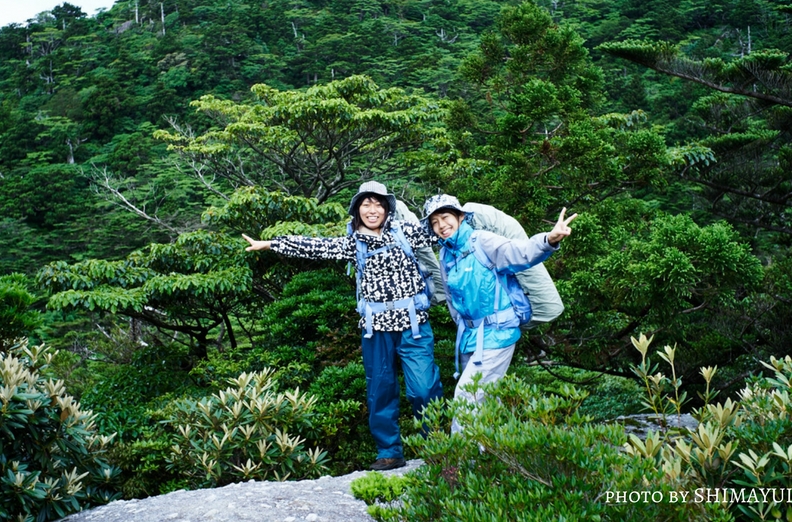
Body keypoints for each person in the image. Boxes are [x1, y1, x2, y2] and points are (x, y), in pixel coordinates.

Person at [242, 181, 443, 471]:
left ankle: (437, 445)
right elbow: (316, 246)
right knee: (380, 391)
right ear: (357, 210)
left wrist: (466, 220)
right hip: (375, 328)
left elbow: (440, 232)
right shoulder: (353, 244)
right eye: (366, 204)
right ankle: (389, 452)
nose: (372, 210)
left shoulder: (405, 232)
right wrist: (273, 243)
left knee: (424, 388)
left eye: (378, 204)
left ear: (388, 208)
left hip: (413, 325)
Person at [421, 194, 576, 433]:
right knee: (487, 399)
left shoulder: (482, 241)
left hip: (498, 333)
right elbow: (452, 299)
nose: (441, 226)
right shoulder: (446, 255)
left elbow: (520, 252)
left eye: (445, 217)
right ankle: (494, 456)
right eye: (434, 222)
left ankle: (461, 464)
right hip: (470, 337)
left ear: (460, 217)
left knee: (467, 395)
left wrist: (548, 240)